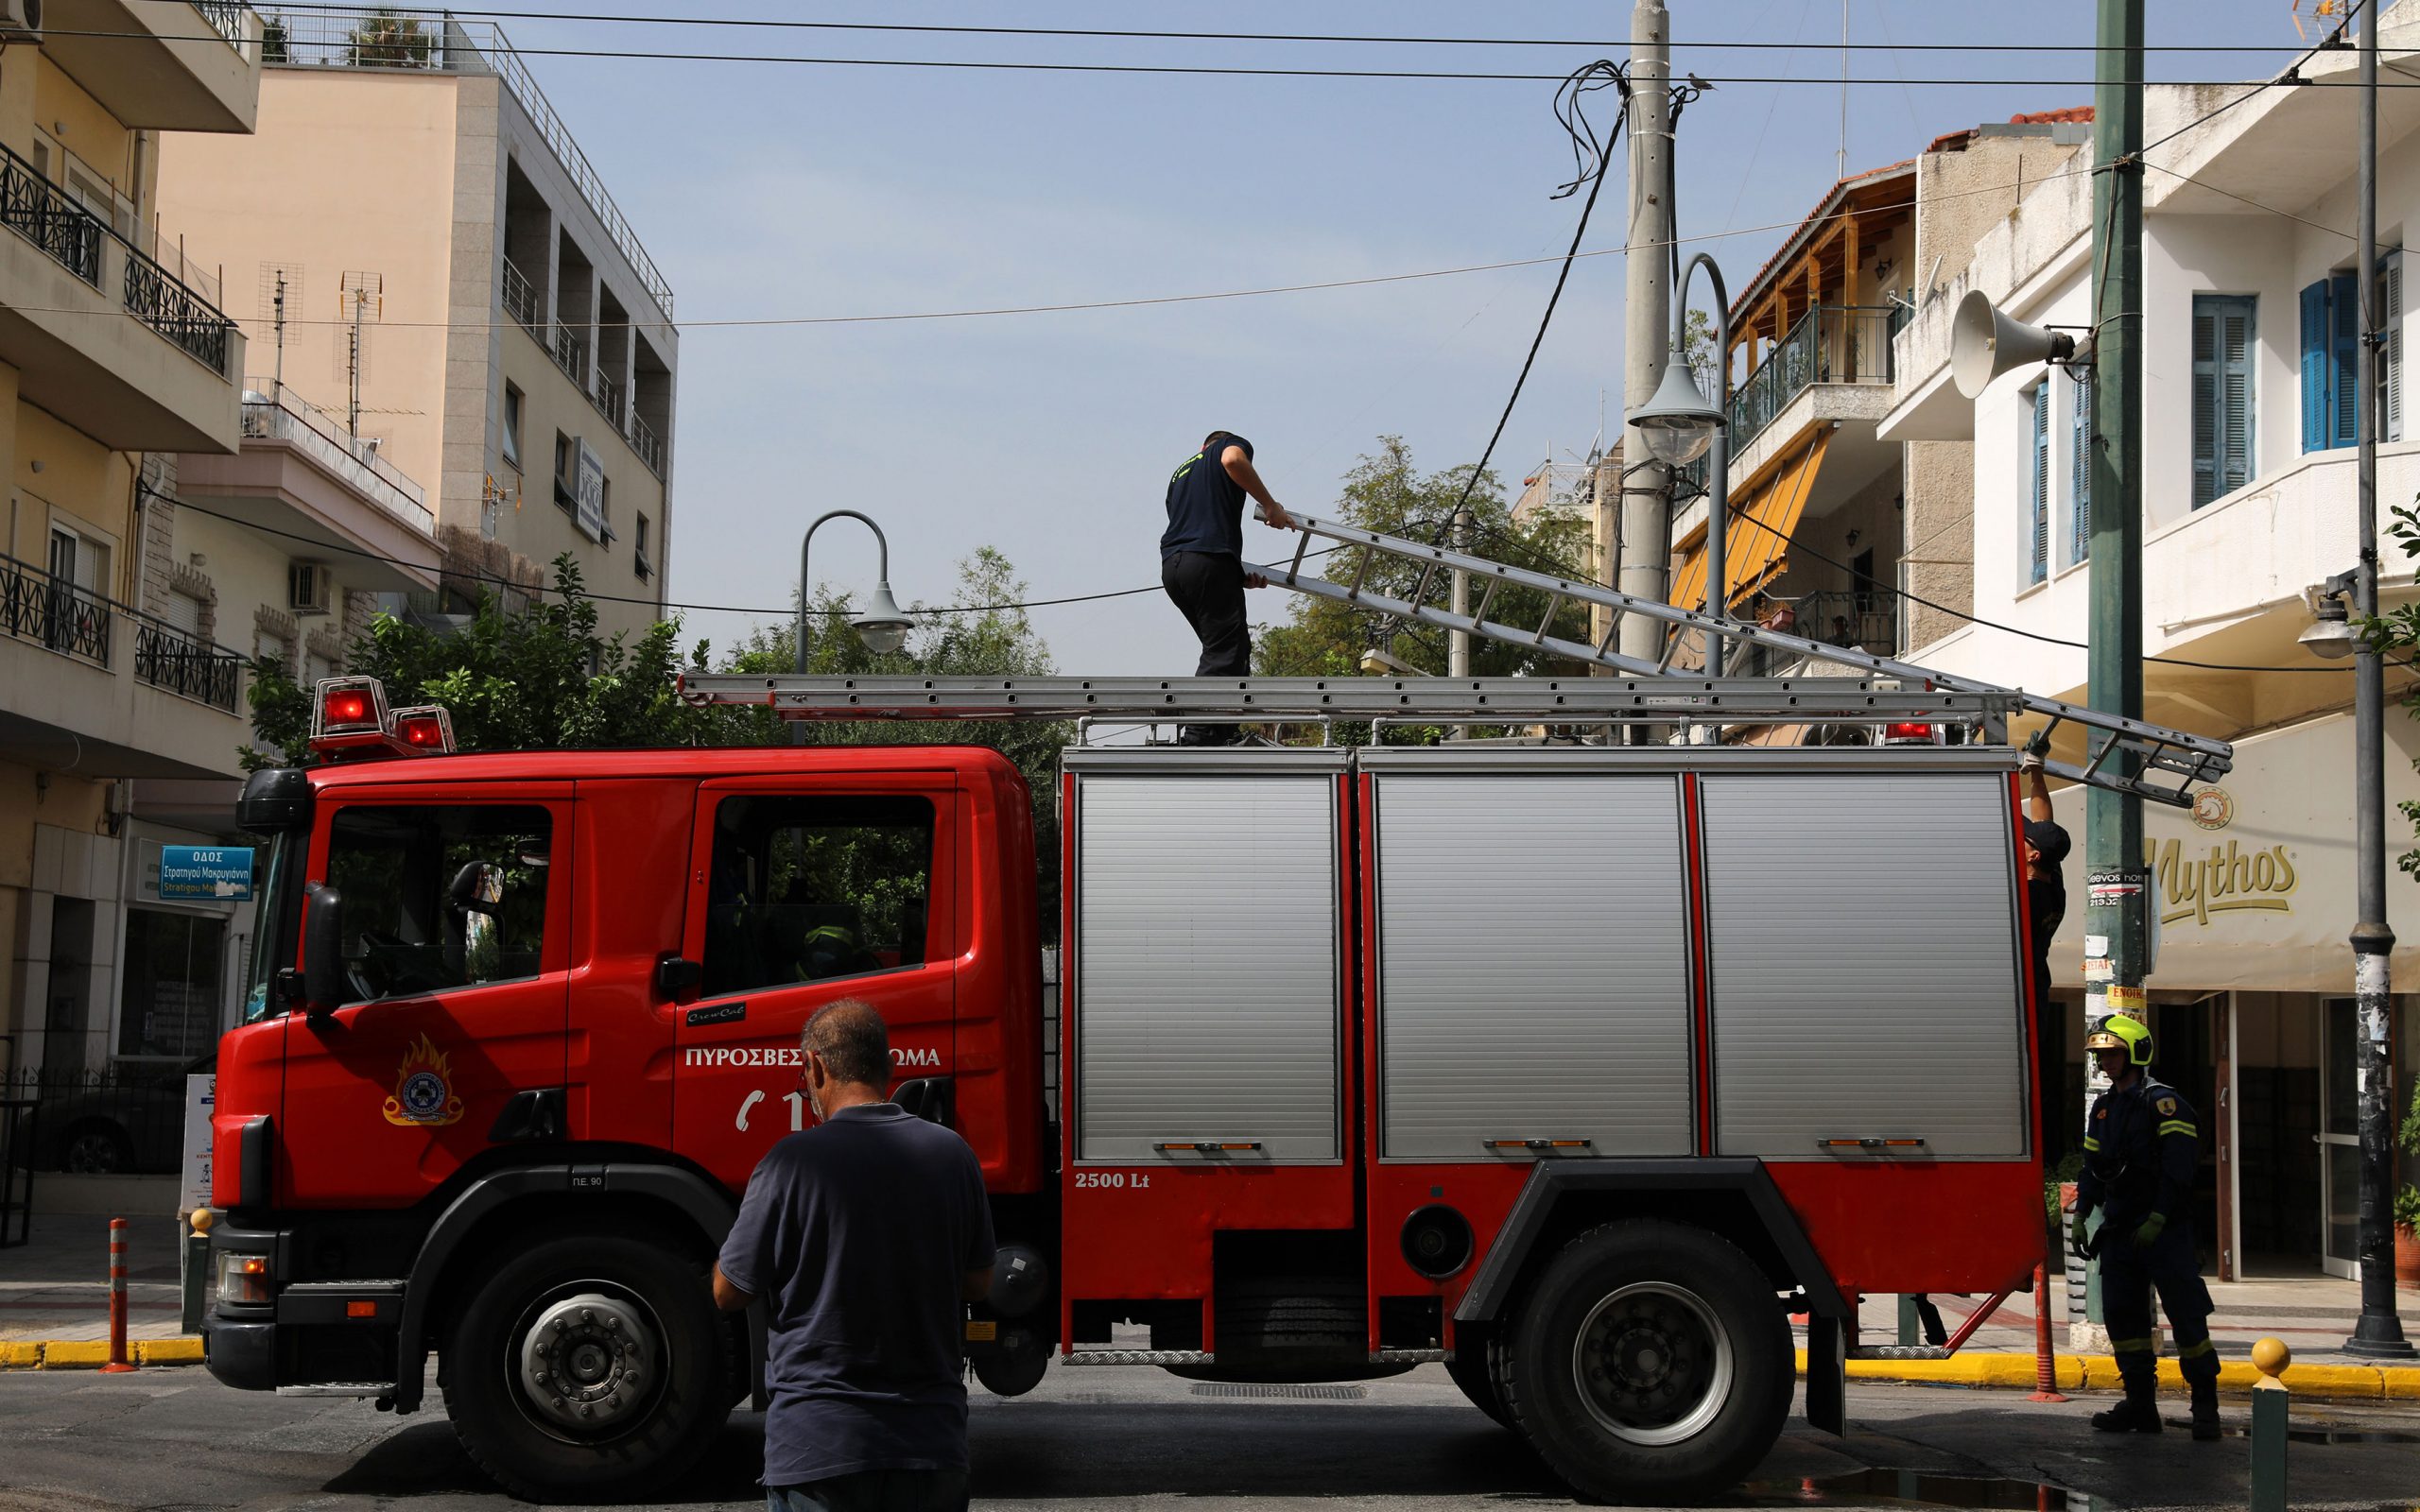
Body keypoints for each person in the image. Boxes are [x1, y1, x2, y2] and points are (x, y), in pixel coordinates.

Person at [714, 1000, 998, 1512]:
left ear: (817, 1066)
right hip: (929, 1447)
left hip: (819, 1448)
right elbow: (979, 1282)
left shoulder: (789, 1163)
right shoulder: (953, 1155)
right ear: (886, 1067)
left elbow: (730, 1290)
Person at [2069, 1012, 2221, 1440]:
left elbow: (2179, 1168)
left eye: (2112, 1054)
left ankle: (2205, 1409)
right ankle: (2140, 1407)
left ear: (2136, 1053)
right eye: (2100, 1056)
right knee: (2124, 1321)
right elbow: (2092, 1168)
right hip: (2120, 1231)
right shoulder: (2103, 1108)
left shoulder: (2165, 1103)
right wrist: (2082, 1215)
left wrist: (2158, 1217)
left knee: (2188, 1319)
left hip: (2165, 1231)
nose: (2104, 1062)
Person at [1160, 430, 1295, 746]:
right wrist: (1271, 505)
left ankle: (1218, 731)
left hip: (1174, 567)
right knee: (1226, 652)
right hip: (1206, 561)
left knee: (1223, 649)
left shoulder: (1179, 475)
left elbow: (1197, 526)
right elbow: (1233, 459)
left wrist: (1234, 575)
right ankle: (1200, 737)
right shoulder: (1227, 446)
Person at [2018, 739, 2072, 1162]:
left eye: (2021, 841)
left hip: (2023, 998)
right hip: (2037, 990)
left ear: (2032, 855)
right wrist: (2036, 770)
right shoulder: (2050, 881)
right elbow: (2043, 821)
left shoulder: (2028, 897)